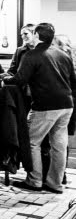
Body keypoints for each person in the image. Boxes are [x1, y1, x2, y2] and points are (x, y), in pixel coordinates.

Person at [14, 23, 76, 194]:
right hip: (67, 105)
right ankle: (55, 184)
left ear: (36, 35)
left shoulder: (32, 55)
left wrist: (2, 79)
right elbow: (73, 81)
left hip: (45, 106)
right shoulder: (63, 55)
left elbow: (20, 79)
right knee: (59, 146)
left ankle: (34, 181)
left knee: (32, 142)